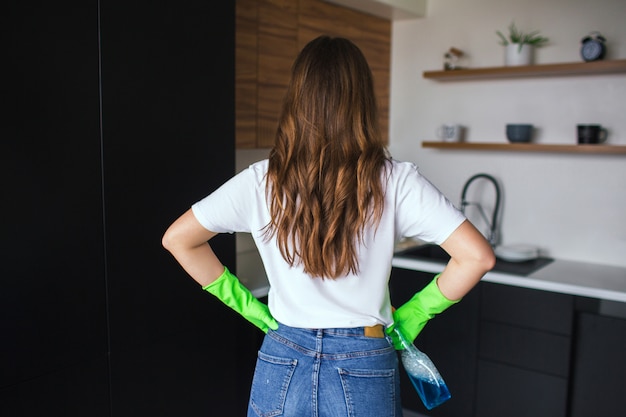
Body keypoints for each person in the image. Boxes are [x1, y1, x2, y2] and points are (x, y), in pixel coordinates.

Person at [162, 35, 495, 417]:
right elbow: (477, 258)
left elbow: (179, 239)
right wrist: (413, 315)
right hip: (365, 359)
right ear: (363, 102)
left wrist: (252, 310)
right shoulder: (397, 181)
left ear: (296, 100)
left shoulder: (260, 181)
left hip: (281, 354)